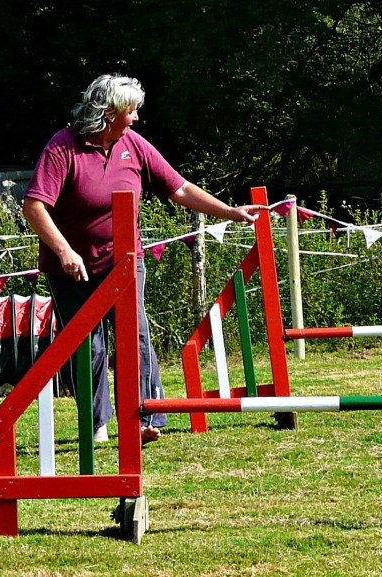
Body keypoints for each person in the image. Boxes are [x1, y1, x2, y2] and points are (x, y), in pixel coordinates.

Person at [23, 73, 265, 444]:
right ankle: (97, 425)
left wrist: (230, 212)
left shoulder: (133, 145)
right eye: (131, 111)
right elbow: (35, 205)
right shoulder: (63, 147)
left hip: (124, 261)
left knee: (136, 336)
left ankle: (143, 418)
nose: (136, 118)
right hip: (71, 268)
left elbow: (179, 188)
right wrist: (64, 250)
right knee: (88, 345)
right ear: (108, 112)